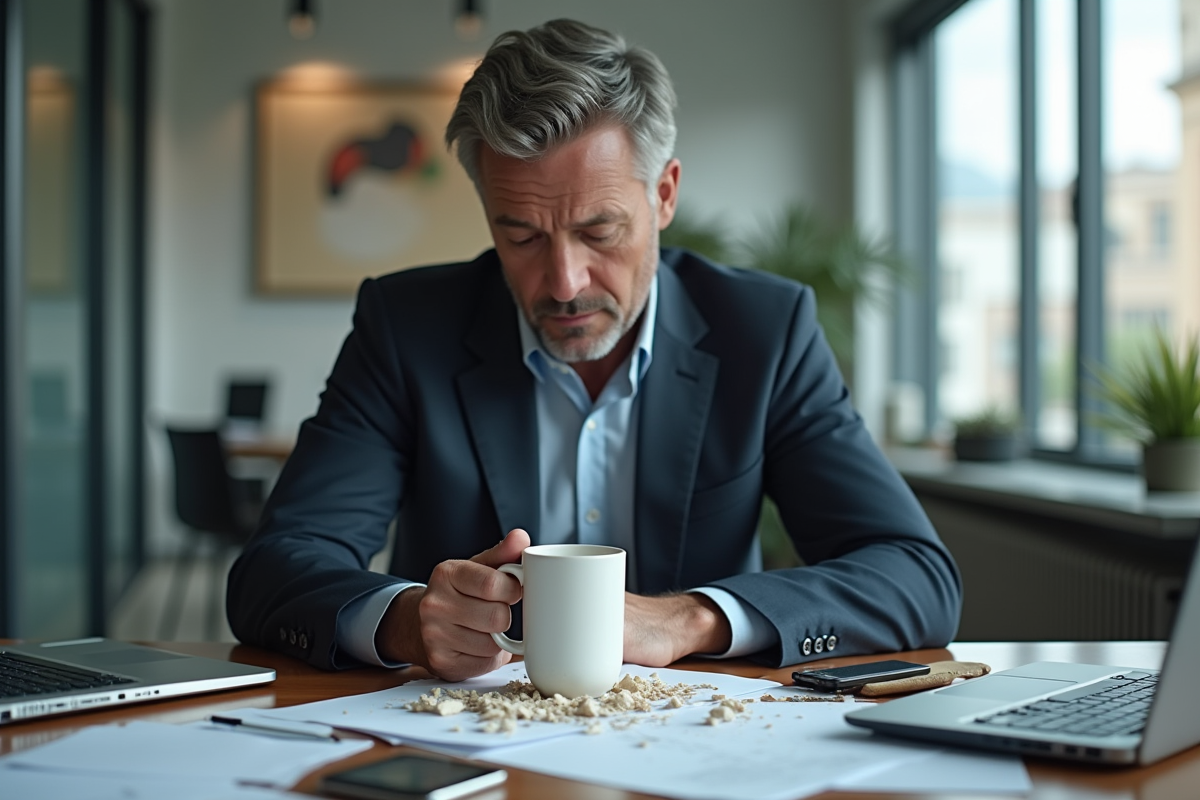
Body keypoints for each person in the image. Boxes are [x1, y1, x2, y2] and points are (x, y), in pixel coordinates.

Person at [227, 19, 962, 679]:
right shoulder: (406, 326)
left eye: (600, 232)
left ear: (664, 195)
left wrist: (686, 620)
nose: (564, 281)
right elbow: (273, 570)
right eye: (520, 235)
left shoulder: (764, 331)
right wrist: (405, 620)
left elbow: (915, 576)